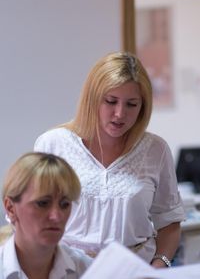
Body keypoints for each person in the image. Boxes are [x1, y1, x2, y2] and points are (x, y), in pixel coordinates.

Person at [34, 52, 185, 267]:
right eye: (111, 101)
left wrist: (159, 266)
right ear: (92, 98)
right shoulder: (53, 144)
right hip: (66, 270)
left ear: (143, 107)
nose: (119, 114)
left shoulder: (155, 149)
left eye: (132, 104)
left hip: (134, 270)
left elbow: (169, 222)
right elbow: (30, 219)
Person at [0, 152, 92, 278]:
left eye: (65, 204)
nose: (57, 216)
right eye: (43, 203)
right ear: (10, 208)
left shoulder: (87, 270)